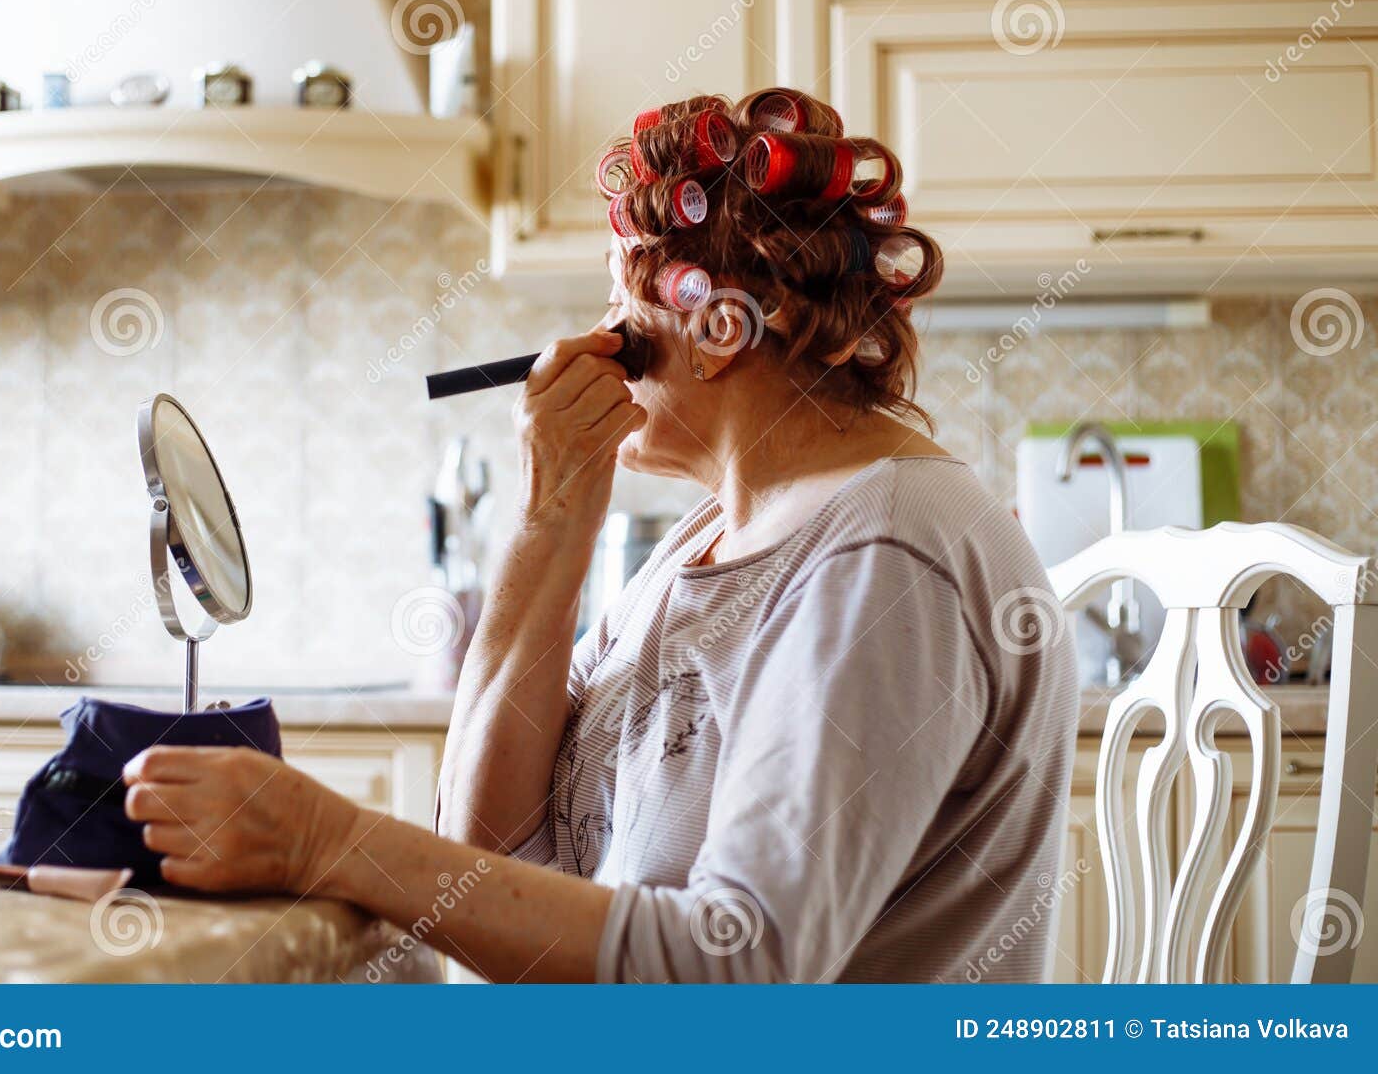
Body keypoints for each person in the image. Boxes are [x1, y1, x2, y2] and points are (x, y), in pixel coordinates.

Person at [123, 88, 1079, 983]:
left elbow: (738, 967)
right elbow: (483, 847)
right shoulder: (699, 548)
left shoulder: (885, 557)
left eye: (621, 310)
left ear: (718, 329)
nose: (599, 339)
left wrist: (326, 842)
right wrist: (551, 519)